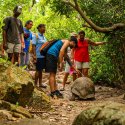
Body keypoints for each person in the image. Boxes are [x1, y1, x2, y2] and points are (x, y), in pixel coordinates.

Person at [32, 24, 47, 88]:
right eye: (43, 27)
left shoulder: (44, 36)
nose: (44, 29)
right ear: (39, 28)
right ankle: (35, 84)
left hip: (43, 56)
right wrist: (34, 55)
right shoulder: (36, 36)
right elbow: (33, 45)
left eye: (44, 27)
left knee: (41, 70)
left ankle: (40, 83)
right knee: (38, 70)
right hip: (38, 56)